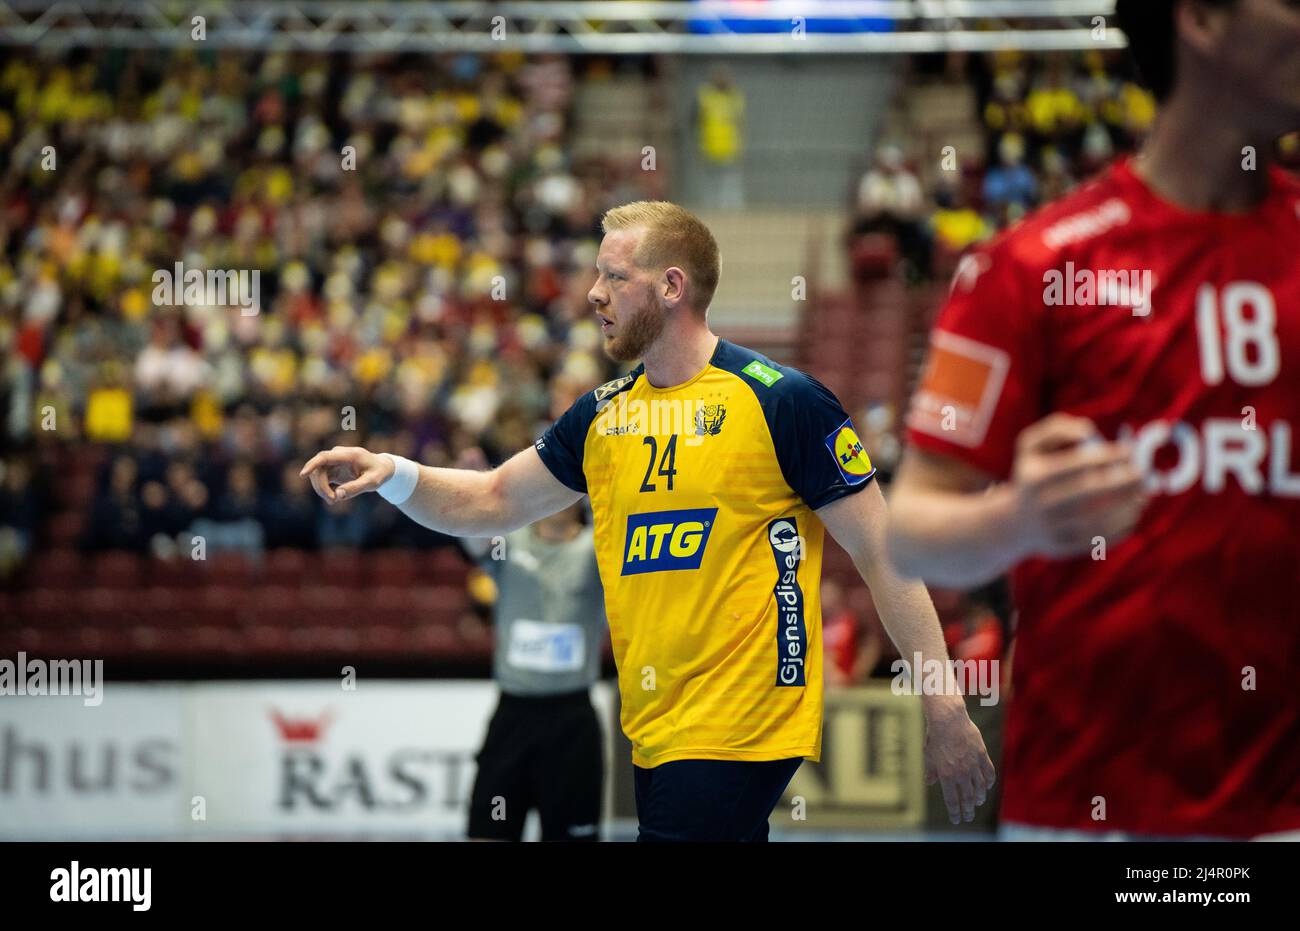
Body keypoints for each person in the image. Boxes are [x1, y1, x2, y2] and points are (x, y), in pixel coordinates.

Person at [302, 201, 994, 842]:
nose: (593, 294)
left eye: (613, 275)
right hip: (655, 727)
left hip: (740, 723)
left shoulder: (782, 402)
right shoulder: (602, 415)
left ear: (671, 286)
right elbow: (490, 499)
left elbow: (885, 553)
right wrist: (392, 472)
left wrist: (943, 703)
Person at [887, 0, 1300, 840]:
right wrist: (1017, 518)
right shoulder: (1032, 268)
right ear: (1204, 21)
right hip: (1088, 811)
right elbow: (912, 531)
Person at [460, 485, 607, 843]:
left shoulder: (598, 549)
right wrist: (470, 493)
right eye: (548, 487)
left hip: (572, 720)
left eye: (566, 489)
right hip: (513, 717)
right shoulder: (509, 542)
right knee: (488, 831)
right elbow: (471, 541)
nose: (556, 497)